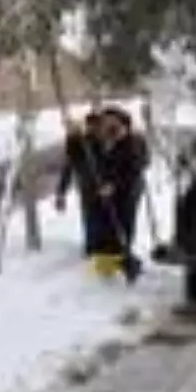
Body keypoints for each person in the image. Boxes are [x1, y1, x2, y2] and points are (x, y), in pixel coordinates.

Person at [94, 106, 149, 282]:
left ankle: (127, 263)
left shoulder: (134, 143)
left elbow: (136, 169)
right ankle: (109, 264)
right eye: (105, 124)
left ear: (124, 124)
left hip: (128, 191)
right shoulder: (108, 142)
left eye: (112, 124)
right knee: (107, 226)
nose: (107, 128)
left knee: (124, 225)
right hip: (110, 192)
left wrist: (114, 184)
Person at [55, 109, 104, 256]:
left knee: (106, 221)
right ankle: (92, 249)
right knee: (90, 219)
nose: (94, 130)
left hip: (106, 188)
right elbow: (68, 168)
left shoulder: (104, 142)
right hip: (87, 189)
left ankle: (104, 249)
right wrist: (61, 193)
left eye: (97, 126)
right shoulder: (78, 143)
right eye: (91, 126)